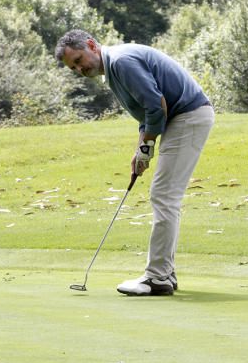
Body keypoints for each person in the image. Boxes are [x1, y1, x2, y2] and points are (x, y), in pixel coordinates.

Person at [54, 30, 214, 296]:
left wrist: (146, 147)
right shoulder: (114, 69)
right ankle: (165, 274)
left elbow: (156, 106)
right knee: (165, 196)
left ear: (92, 45)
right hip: (182, 118)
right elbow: (146, 114)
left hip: (188, 115)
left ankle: (158, 277)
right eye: (74, 67)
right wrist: (141, 149)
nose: (80, 68)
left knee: (163, 195)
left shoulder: (121, 62)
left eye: (80, 59)